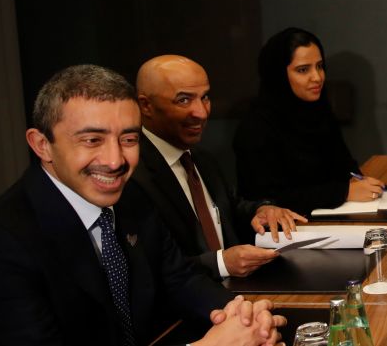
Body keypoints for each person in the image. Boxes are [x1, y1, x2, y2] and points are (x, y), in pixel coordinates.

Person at [0, 65, 286, 346]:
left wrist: (239, 315)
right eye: (92, 140)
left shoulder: (132, 200)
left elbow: (181, 280)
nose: (115, 160)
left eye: (128, 139)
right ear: (42, 145)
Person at [128, 55, 307, 279]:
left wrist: (262, 210)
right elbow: (148, 269)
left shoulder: (201, 158)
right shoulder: (132, 173)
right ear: (146, 105)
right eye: (183, 100)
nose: (201, 113)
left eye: (204, 97)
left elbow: (230, 209)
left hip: (238, 294)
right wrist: (221, 263)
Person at [233, 27, 384, 215]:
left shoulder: (318, 109)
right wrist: (343, 192)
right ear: (278, 75)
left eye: (320, 66)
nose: (317, 77)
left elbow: (344, 165)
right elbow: (265, 199)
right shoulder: (256, 127)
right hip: (285, 233)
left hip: (332, 218)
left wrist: (356, 179)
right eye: (303, 70)